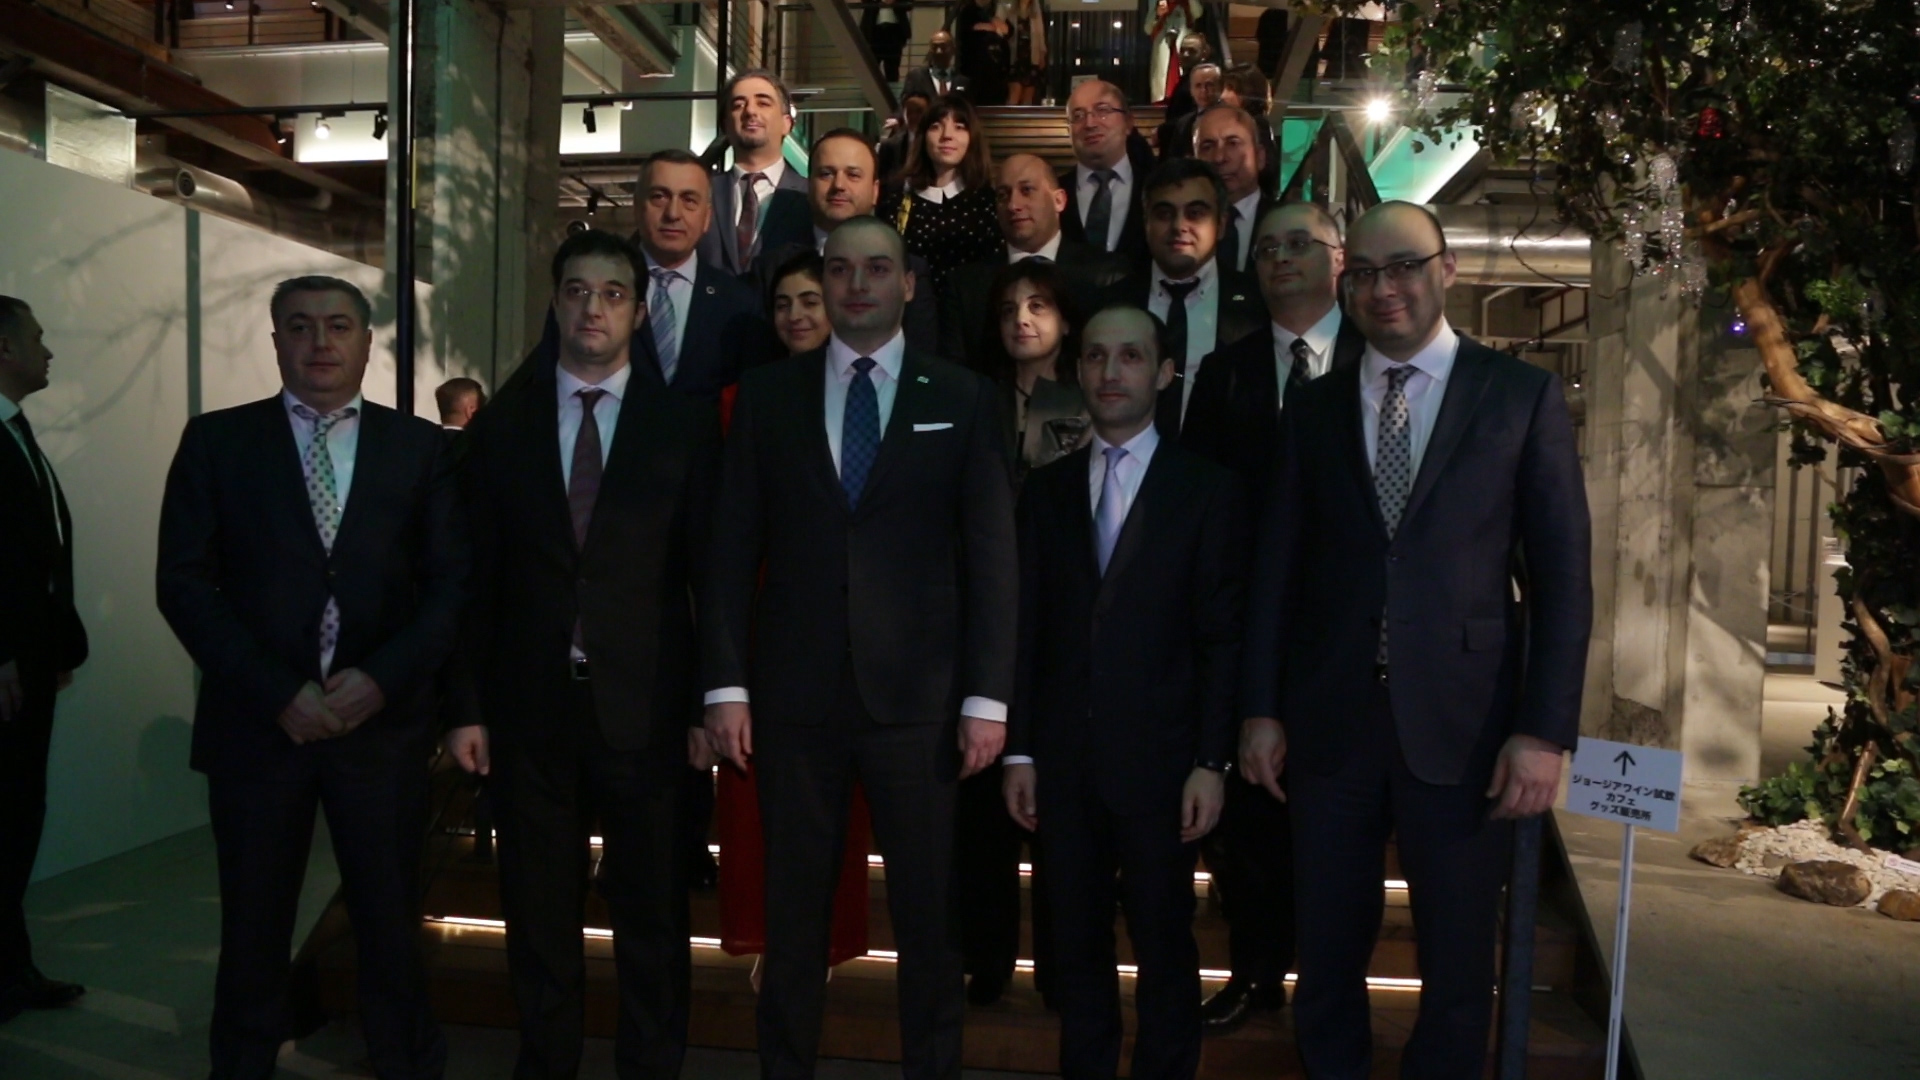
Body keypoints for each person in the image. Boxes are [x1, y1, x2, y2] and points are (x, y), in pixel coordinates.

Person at [1240, 201, 1593, 1079]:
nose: (1384, 288)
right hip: (1330, 725)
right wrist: (1260, 709)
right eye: (1363, 272)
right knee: (1327, 950)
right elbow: (1277, 573)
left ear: (1447, 270)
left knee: (1459, 962)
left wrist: (1544, 730)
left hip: (1468, 727)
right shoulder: (1313, 409)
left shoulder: (1518, 396)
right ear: (1344, 283)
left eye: (1403, 266)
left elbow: (1561, 582)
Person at [702, 217, 1017, 1080]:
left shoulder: (963, 396)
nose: (857, 285)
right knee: (794, 918)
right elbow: (729, 551)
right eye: (841, 270)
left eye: (877, 269)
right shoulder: (768, 395)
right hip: (794, 699)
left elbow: (992, 558)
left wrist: (988, 696)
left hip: (923, 705)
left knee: (929, 921)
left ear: (907, 284)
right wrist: (725, 685)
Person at [156, 276, 462, 1080]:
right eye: (299, 326)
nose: (320, 342)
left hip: (382, 731)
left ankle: (405, 1061)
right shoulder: (217, 441)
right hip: (259, 729)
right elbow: (183, 584)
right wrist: (277, 691)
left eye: (337, 326)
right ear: (276, 342)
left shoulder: (422, 449)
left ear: (367, 342)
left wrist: (382, 679)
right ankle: (243, 1064)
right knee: (253, 925)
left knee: (389, 922)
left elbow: (451, 588)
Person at [444, 229, 721, 1079]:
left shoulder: (684, 426)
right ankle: (547, 1062)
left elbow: (711, 575)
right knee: (537, 913)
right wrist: (465, 706)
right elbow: (471, 581)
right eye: (575, 290)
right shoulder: (502, 427)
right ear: (555, 303)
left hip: (649, 709)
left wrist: (711, 702)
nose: (592, 308)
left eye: (611, 293)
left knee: (652, 915)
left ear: (637, 312)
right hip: (529, 709)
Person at [1004, 303, 1244, 1080]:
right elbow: (1026, 631)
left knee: (1164, 944)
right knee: (1073, 947)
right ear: (1078, 371)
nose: (1111, 372)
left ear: (1165, 373)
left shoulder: (1206, 489)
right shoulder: (1044, 491)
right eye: (1096, 356)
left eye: (1131, 356)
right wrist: (1020, 751)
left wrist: (1212, 760)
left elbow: (1221, 639)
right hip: (1063, 762)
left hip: (1166, 764)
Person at [1178, 201, 1362, 1035]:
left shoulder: (1377, 357)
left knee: (1338, 828)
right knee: (1250, 828)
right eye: (1267, 248)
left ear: (1339, 258)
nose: (1282, 258)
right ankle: (1256, 974)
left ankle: (1332, 988)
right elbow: (1198, 505)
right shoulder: (1227, 372)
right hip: (1251, 629)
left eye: (1300, 244)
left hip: (1353, 636)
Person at [715, 245, 876, 985]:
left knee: (837, 807)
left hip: (856, 633)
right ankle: (771, 941)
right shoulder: (742, 399)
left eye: (810, 300)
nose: (796, 315)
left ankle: (829, 943)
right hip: (762, 623)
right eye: (783, 305)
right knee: (759, 802)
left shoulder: (875, 397)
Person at [0, 297, 87, 1026]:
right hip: (7, 667)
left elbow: (39, 551)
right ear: (3, 349)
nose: (48, 350)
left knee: (18, 812)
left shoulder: (14, 430)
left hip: (29, 662)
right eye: (37, 337)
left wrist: (54, 647)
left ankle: (10, 969)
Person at [1101, 158, 1265, 441]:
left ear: (1221, 224)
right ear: (1146, 222)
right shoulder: (1110, 304)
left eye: (1196, 213)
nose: (1179, 226)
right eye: (1164, 214)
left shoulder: (1258, 304)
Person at [752, 128, 942, 356]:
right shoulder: (770, 267)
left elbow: (920, 358)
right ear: (808, 186)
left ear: (875, 190)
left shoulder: (908, 270)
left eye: (853, 175)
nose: (839, 185)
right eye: (826, 174)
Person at [939, 153, 1128, 371]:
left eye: (1026, 190)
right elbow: (952, 373)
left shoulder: (1107, 274)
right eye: (1003, 195)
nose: (1013, 205)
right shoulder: (965, 284)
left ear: (1059, 200)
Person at [634, 148, 774, 399]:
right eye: (659, 197)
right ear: (636, 207)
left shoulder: (739, 304)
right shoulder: (597, 291)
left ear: (707, 217)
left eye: (689, 200)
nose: (673, 213)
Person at [878, 95, 1002, 295]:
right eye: (936, 127)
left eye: (959, 127)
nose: (947, 136)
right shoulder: (898, 199)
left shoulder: (988, 201)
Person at [700, 69, 812, 277]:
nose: (750, 111)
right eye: (738, 105)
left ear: (787, 123)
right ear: (725, 125)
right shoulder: (700, 193)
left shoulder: (811, 196)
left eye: (763, 103)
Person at [1057, 80, 1156, 261]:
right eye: (1078, 116)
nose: (1089, 123)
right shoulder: (1052, 193)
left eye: (1102, 111)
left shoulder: (1157, 187)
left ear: (1128, 122)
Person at [1192, 105, 1270, 275]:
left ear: (1259, 157)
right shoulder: (1183, 226)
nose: (1219, 158)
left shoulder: (1283, 222)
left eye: (1233, 143)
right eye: (1207, 147)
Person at [1218, 66, 1280, 195]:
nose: (1223, 96)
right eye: (1223, 88)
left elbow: (1267, 171)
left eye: (1231, 89)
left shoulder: (1257, 125)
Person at [1157, 62, 1221, 163]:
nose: (1203, 91)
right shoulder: (1183, 124)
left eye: (1209, 85)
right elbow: (1174, 160)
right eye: (1198, 86)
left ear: (1220, 87)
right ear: (1191, 90)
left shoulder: (1232, 119)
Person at [1147, 2, 1207, 105]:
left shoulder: (1186, 4)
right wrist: (1157, 14)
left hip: (1183, 40)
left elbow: (1197, 13)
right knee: (1162, 81)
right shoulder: (1157, 2)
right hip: (1164, 42)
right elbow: (1148, 28)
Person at [954, 0, 1010, 106]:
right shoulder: (968, 11)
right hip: (975, 69)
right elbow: (973, 27)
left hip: (997, 71)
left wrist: (993, 26)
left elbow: (1008, 29)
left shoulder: (996, 10)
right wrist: (994, 27)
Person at [901, 31, 970, 104]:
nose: (938, 51)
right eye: (934, 47)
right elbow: (904, 103)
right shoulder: (916, 77)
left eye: (943, 47)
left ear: (953, 49)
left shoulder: (962, 82)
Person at [878, 92, 932, 182]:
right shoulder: (890, 146)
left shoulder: (935, 144)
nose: (913, 116)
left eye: (919, 111)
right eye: (909, 112)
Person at [1004, 0, 1048, 105]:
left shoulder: (1035, 10)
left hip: (1031, 57)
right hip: (1015, 57)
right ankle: (1008, 115)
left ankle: (1025, 116)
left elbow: (1040, 33)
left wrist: (1042, 54)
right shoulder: (1010, 9)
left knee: (1028, 97)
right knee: (1014, 93)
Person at [861, 0, 913, 83]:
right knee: (871, 68)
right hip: (874, 31)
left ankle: (892, 90)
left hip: (895, 31)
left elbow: (909, 4)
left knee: (892, 69)